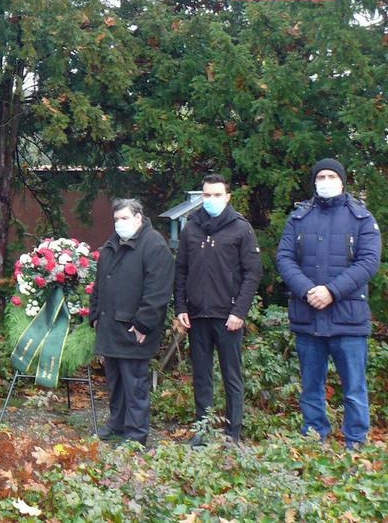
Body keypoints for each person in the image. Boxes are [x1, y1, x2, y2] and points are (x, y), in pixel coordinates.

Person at [275, 158, 380, 450]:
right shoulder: (298, 218)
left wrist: (332, 291)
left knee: (355, 389)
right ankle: (313, 439)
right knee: (311, 388)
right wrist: (308, 290)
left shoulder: (362, 218)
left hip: (349, 319)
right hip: (308, 317)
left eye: (331, 175)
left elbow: (369, 262)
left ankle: (356, 443)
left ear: (342, 180)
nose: (326, 180)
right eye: (320, 176)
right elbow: (284, 258)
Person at [174, 174, 263, 445]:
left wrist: (240, 312)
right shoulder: (191, 227)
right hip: (197, 315)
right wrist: (180, 307)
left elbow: (253, 273)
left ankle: (232, 433)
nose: (210, 200)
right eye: (206, 195)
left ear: (227, 197)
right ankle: (203, 430)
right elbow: (181, 270)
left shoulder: (241, 228)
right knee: (201, 376)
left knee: (231, 375)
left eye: (216, 195)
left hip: (228, 317)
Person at [89, 198, 174, 447]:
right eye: (116, 219)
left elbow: (158, 291)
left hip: (134, 329)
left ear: (139, 218)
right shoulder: (111, 245)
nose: (119, 224)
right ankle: (117, 424)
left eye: (124, 218)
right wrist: (94, 315)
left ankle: (136, 435)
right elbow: (100, 284)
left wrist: (143, 324)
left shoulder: (154, 245)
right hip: (110, 325)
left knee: (135, 384)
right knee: (115, 381)